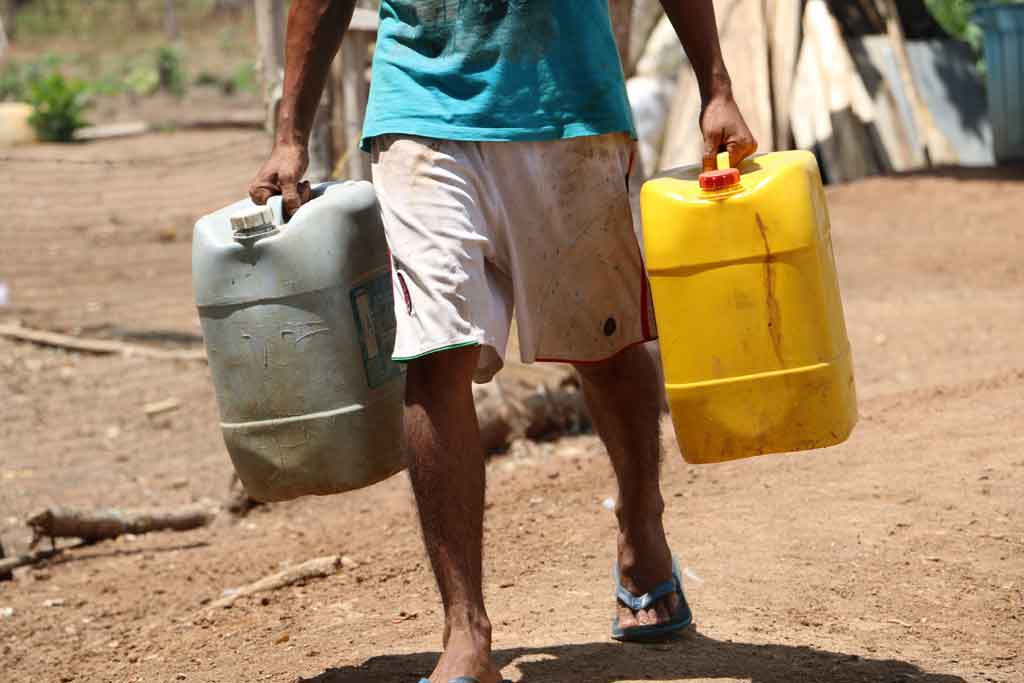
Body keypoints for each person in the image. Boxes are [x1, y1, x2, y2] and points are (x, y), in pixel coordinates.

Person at [250, 2, 757, 682]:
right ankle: (466, 628)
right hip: (421, 107)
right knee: (433, 353)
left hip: (567, 106)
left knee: (603, 349)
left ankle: (641, 522)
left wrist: (716, 88)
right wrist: (291, 131)